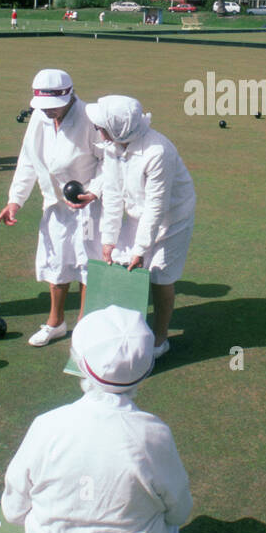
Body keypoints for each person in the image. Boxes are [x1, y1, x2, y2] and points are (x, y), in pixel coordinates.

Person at [1, 305, 192, 533]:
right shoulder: (154, 434)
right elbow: (179, 514)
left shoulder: (47, 425)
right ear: (147, 368)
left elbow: (13, 511)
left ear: (79, 362)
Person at [0, 70, 104, 346]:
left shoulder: (91, 119)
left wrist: (94, 191)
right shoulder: (41, 117)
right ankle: (55, 322)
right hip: (55, 204)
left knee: (88, 264)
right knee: (56, 261)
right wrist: (15, 200)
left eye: (53, 106)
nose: (48, 112)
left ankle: (84, 324)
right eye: (43, 107)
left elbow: (109, 161)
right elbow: (28, 159)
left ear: (69, 96)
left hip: (88, 205)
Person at [90, 95, 195, 359]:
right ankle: (126, 330)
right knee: (123, 262)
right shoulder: (112, 145)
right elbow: (113, 194)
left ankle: (160, 339)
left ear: (119, 127)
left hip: (173, 217)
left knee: (160, 275)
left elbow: (156, 207)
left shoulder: (158, 151)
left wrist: (141, 248)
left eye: (100, 126)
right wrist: (108, 240)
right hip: (140, 212)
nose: (97, 131)